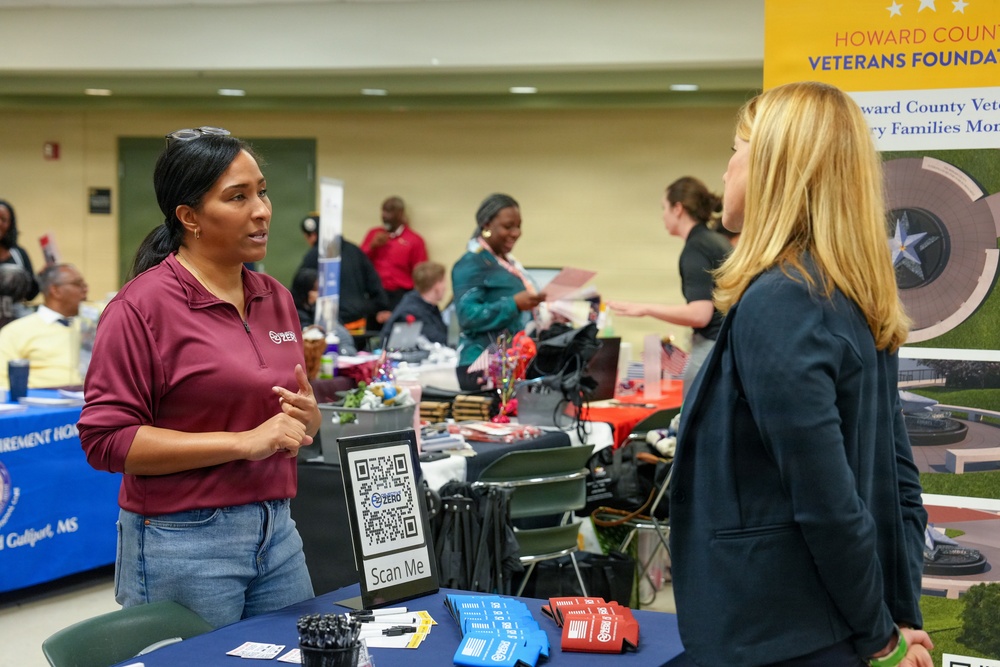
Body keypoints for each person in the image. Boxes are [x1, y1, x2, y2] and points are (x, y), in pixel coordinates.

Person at [668, 82, 933, 667]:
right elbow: (896, 483)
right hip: (828, 625)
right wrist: (896, 613)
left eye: (735, 149)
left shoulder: (782, 300)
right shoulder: (851, 297)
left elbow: (829, 502)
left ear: (770, 168)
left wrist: (883, 635)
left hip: (778, 632)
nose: (727, 168)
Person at [78, 127, 320, 629]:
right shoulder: (140, 309)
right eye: (238, 197)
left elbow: (276, 412)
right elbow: (105, 440)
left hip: (277, 530)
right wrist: (242, 443)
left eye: (262, 190)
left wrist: (306, 419)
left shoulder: (275, 296)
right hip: (183, 538)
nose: (262, 210)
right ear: (189, 218)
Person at [607, 177, 732, 399]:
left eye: (664, 208)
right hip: (728, 348)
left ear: (678, 208)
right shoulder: (716, 241)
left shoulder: (696, 248)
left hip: (712, 349)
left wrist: (645, 309)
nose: (662, 215)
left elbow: (700, 315)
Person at [452, 193, 546, 390]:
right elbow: (467, 316)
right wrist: (514, 303)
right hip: (481, 365)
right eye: (508, 226)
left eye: (518, 226)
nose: (515, 233)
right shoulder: (471, 263)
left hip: (509, 362)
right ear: (486, 225)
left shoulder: (507, 264)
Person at [297, 212, 390, 335]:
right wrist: (380, 307)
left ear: (313, 236)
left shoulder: (314, 255)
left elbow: (299, 289)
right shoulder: (355, 251)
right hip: (359, 324)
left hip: (331, 326)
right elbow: (374, 284)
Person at [0, 263, 87, 389]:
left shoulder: (91, 328)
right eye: (78, 284)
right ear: (55, 290)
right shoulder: (16, 331)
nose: (85, 289)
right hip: (39, 402)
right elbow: (2, 381)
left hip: (91, 400)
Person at [361, 196, 429, 310]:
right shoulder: (373, 234)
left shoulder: (414, 240)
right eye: (383, 210)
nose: (385, 215)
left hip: (401, 296)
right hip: (374, 294)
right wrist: (372, 246)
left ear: (400, 213)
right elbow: (359, 262)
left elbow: (420, 274)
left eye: (390, 211)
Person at [289, 265, 357, 355]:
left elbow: (337, 329)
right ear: (305, 291)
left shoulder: (318, 309)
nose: (320, 294)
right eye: (316, 290)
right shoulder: (294, 313)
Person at [379, 260, 449, 347]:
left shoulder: (428, 306)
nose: (445, 287)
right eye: (442, 282)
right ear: (436, 285)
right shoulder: (412, 310)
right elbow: (437, 339)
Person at [0, 199, 40, 307]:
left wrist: (41, 277)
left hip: (15, 319)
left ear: (10, 225)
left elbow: (30, 295)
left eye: (4, 220)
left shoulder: (19, 254)